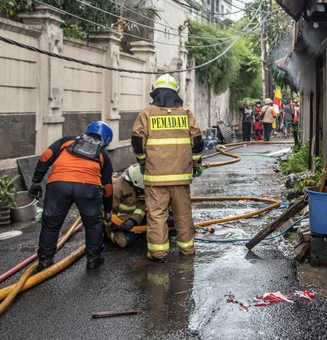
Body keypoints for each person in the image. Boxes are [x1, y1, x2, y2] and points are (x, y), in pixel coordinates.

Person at [132, 73, 203, 262]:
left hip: (155, 176)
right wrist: (196, 164)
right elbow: (196, 142)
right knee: (183, 214)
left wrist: (142, 162)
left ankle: (158, 253)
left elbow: (138, 144)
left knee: (156, 215)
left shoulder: (146, 114)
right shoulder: (186, 114)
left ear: (155, 93)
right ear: (175, 93)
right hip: (180, 177)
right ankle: (187, 249)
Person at [28, 121, 114, 270]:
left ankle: (45, 260)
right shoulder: (103, 154)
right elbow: (107, 188)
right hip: (88, 188)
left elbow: (45, 156)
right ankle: (94, 258)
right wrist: (107, 210)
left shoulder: (67, 140)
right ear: (106, 139)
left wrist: (36, 182)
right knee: (93, 225)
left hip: (58, 185)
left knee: (51, 225)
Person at [105, 163, 146, 248]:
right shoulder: (117, 187)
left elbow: (143, 206)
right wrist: (115, 224)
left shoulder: (140, 186)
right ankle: (106, 234)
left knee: (160, 225)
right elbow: (106, 211)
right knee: (127, 241)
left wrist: (133, 220)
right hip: (118, 221)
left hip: (133, 218)